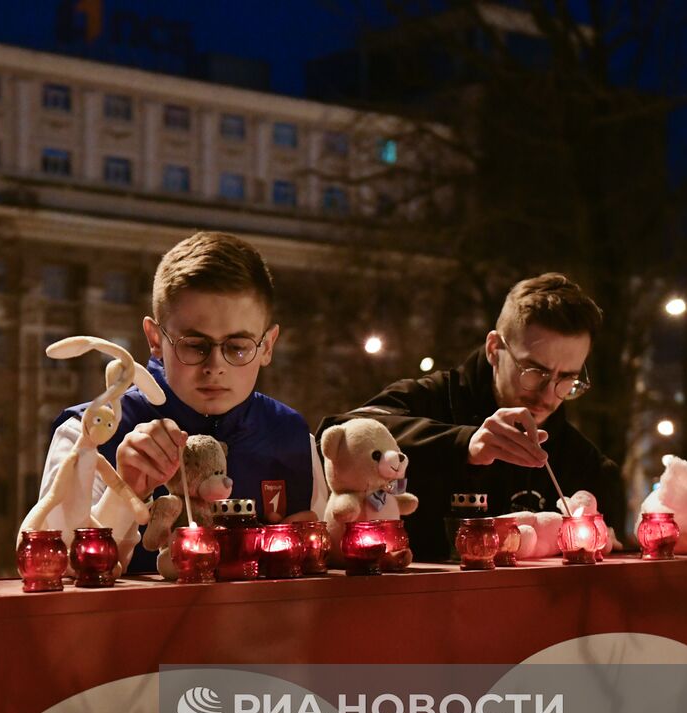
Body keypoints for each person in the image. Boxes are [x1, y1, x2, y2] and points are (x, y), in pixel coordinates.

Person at [38, 231, 328, 571]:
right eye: (195, 345)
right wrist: (124, 492)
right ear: (155, 339)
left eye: (237, 347)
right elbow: (54, 569)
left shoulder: (293, 439)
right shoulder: (88, 435)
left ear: (267, 346)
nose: (215, 368)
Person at [320, 272, 624, 561]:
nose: (548, 395)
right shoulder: (433, 399)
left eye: (567, 379)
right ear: (494, 349)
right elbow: (337, 432)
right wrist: (462, 445)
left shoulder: (585, 466)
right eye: (534, 372)